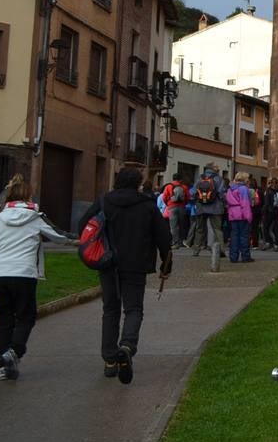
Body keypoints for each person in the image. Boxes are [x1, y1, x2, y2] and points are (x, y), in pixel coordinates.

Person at [0, 175, 73, 380]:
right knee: (26, 316)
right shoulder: (35, 218)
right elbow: (58, 236)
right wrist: (80, 241)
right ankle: (15, 352)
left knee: (5, 319)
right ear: (28, 197)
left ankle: (4, 364)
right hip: (23, 274)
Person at [78, 167, 172, 384]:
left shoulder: (104, 201)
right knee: (133, 309)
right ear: (138, 184)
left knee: (110, 309)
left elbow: (83, 224)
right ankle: (127, 346)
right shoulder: (147, 205)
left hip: (108, 262)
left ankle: (109, 360)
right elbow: (164, 238)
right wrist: (166, 268)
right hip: (136, 264)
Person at [190, 164, 226, 273]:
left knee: (199, 229)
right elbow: (222, 193)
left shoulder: (200, 178)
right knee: (217, 229)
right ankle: (221, 250)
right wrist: (223, 203)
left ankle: (196, 250)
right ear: (215, 169)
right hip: (215, 208)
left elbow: (192, 192)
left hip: (201, 207)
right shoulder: (219, 179)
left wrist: (197, 200)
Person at [225, 173, 256, 264]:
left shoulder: (230, 189)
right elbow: (245, 204)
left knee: (234, 236)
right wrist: (249, 217)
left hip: (233, 213)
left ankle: (233, 257)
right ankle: (245, 256)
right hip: (242, 214)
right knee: (244, 236)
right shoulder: (243, 189)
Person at [160, 173, 189, 248]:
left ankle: (175, 243)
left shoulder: (168, 186)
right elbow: (188, 197)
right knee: (182, 225)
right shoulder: (184, 187)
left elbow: (164, 197)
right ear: (180, 179)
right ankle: (181, 241)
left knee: (173, 226)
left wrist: (168, 204)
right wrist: (184, 204)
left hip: (172, 207)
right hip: (182, 207)